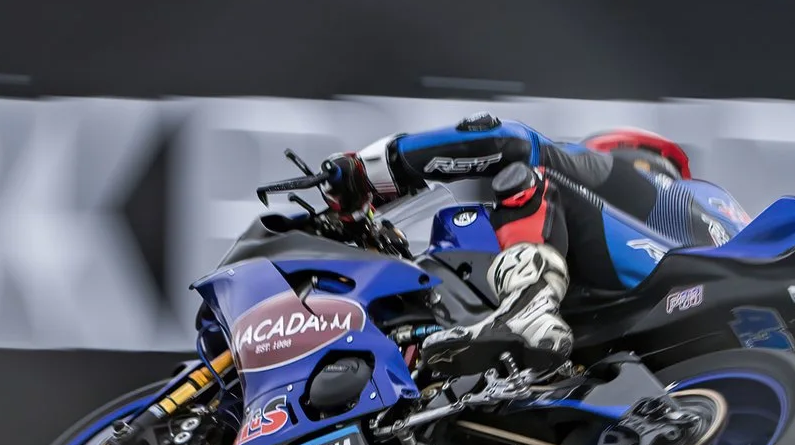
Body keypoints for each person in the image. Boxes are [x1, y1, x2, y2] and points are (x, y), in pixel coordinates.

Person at [316, 114, 743, 382]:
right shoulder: (727, 219)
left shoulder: (648, 185)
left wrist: (375, 169)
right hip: (682, 342)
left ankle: (527, 310)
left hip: (656, 283)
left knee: (529, 176)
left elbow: (508, 140)